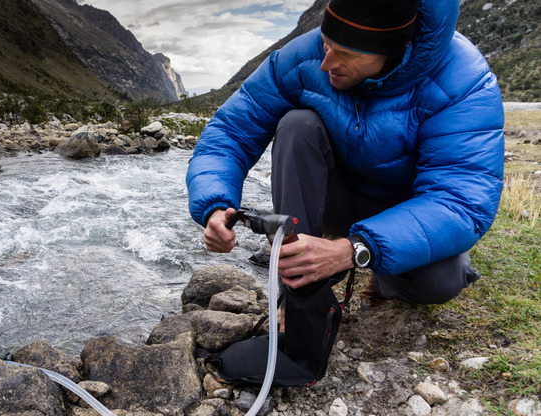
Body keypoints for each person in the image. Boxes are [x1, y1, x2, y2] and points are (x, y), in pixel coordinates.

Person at [186, 0, 505, 307]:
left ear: (396, 50)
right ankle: (300, 294)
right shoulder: (306, 56)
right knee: (297, 125)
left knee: (441, 281)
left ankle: (375, 274)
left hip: (405, 209)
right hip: (335, 199)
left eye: (347, 54)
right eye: (326, 45)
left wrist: (355, 250)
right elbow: (231, 131)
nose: (326, 64)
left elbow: (460, 200)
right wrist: (214, 204)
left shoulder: (461, 79)